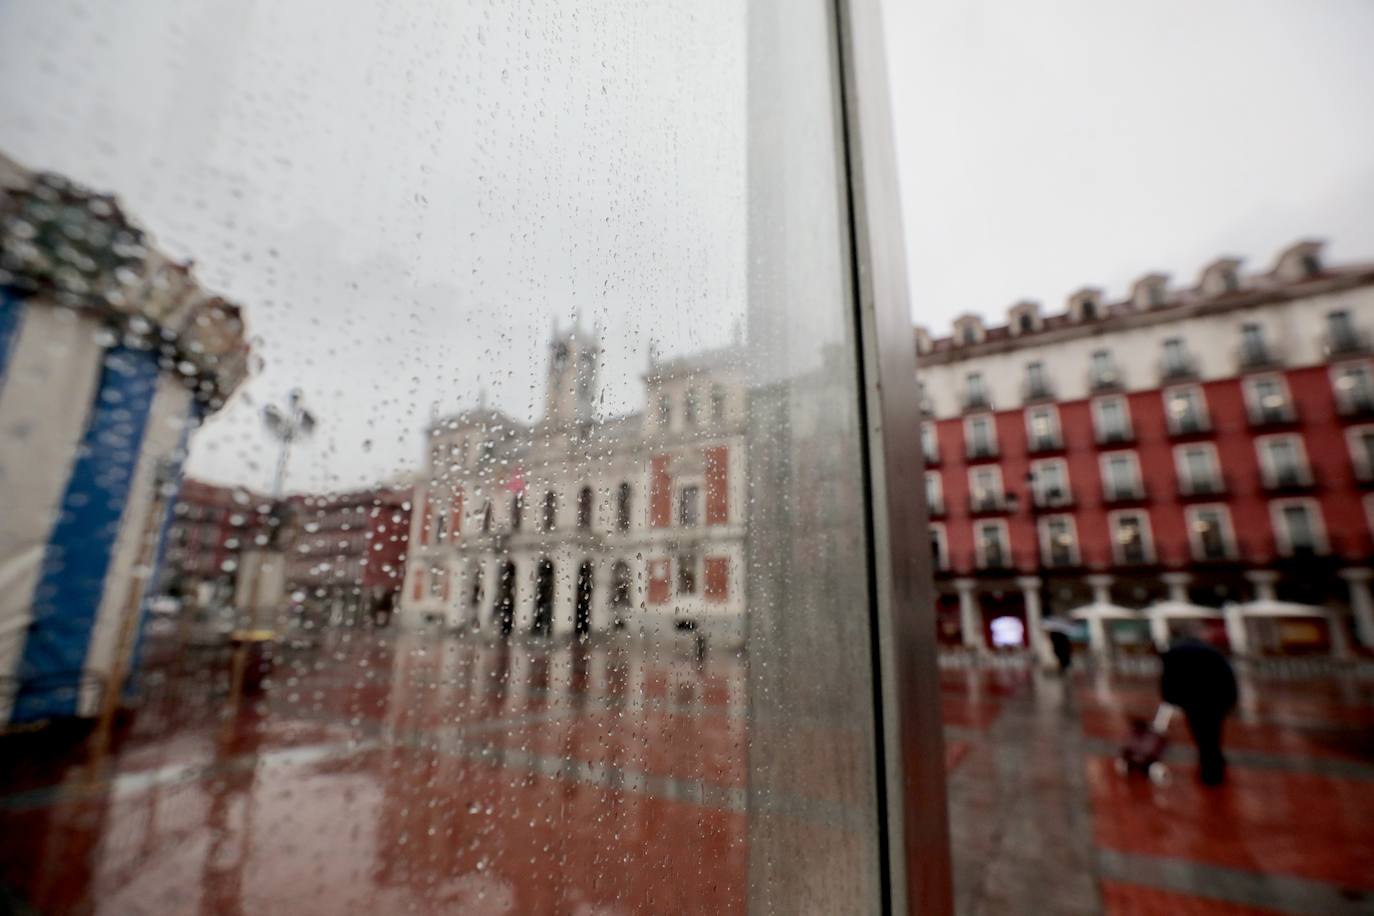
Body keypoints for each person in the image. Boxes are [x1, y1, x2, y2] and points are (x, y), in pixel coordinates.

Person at [1160, 635, 1238, 786]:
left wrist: (1170, 698)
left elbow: (1168, 679)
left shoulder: (1174, 655)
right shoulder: (1212, 653)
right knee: (1213, 734)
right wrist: (1231, 700)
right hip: (1216, 701)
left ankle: (1211, 772)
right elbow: (1228, 676)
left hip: (1193, 702)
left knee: (1201, 735)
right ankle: (1216, 760)